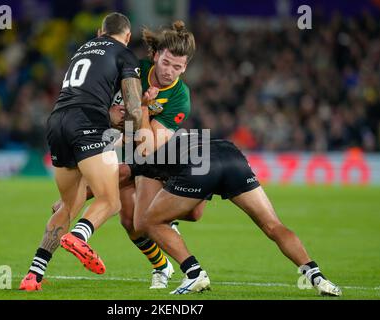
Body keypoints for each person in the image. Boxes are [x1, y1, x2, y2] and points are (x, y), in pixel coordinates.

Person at [51, 20, 200, 290]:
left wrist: (141, 108)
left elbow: (149, 148)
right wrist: (111, 117)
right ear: (156, 55)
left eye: (178, 67)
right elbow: (100, 102)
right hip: (121, 146)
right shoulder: (132, 68)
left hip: (155, 159)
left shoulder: (180, 97)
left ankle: (170, 233)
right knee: (129, 222)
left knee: (134, 207)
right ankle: (162, 266)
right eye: (166, 62)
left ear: (185, 67)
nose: (169, 71)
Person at [126, 133, 342, 296]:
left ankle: (194, 273)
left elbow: (121, 175)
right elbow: (194, 213)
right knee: (273, 226)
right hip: (232, 156)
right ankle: (317, 277)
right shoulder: (181, 142)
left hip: (202, 165)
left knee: (148, 221)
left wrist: (96, 191)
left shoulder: (150, 157)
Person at [19, 12, 143, 291]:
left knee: (68, 205)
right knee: (110, 201)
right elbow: (134, 107)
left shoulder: (82, 49)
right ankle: (79, 236)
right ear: (128, 36)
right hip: (87, 122)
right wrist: (134, 138)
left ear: (100, 32)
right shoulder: (124, 54)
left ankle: (33, 275)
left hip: (57, 122)